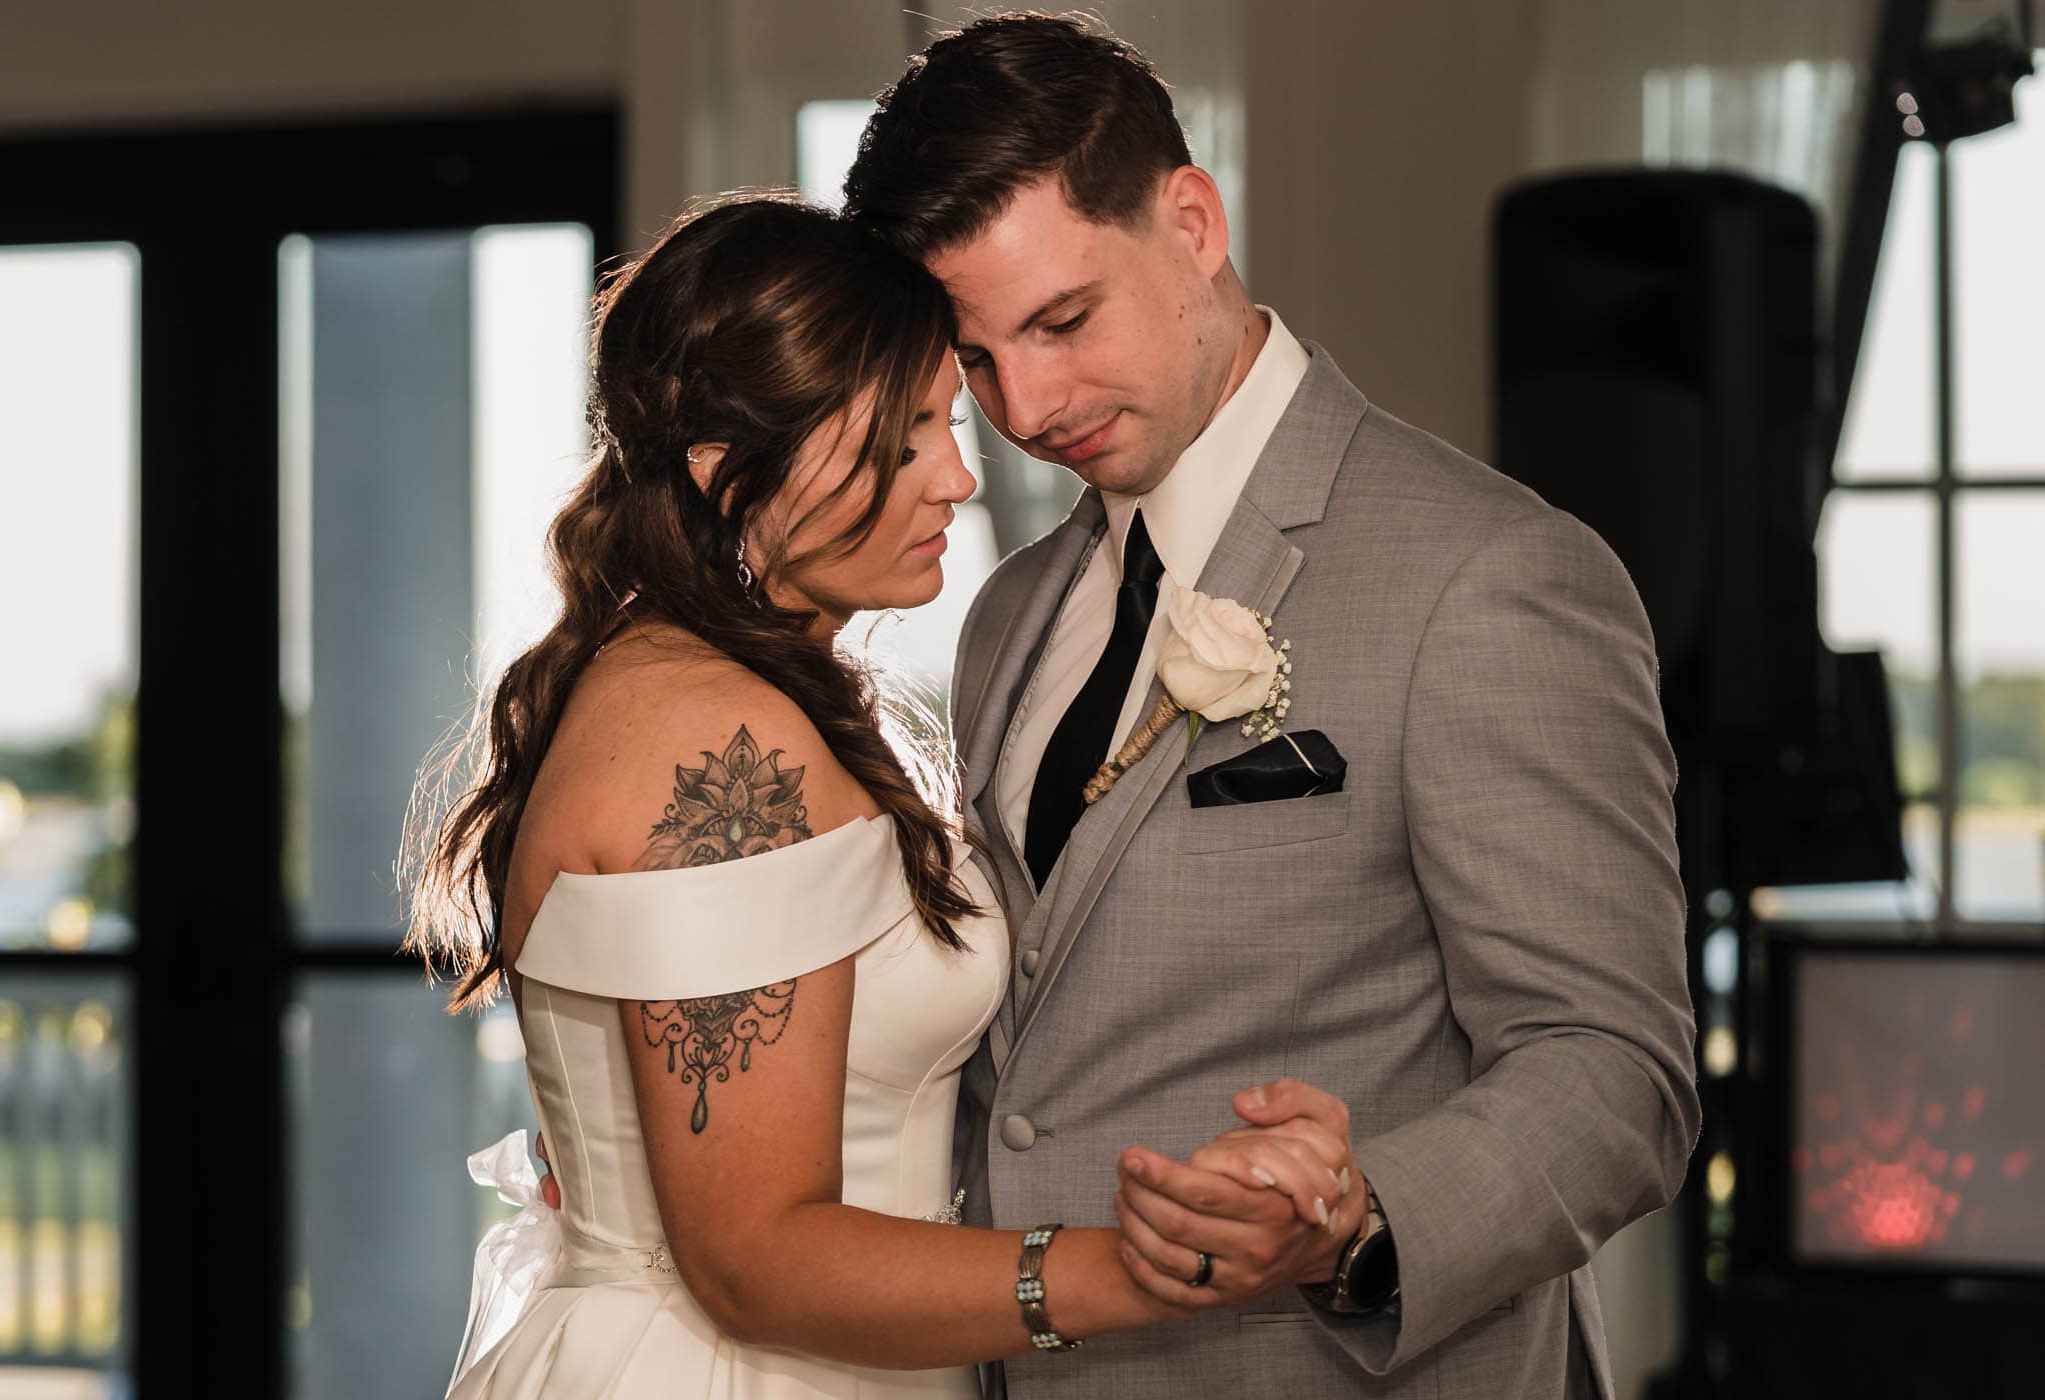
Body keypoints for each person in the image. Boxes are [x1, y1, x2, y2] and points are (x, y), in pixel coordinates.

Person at [830, 13, 1701, 1399]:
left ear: (1191, 222)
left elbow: (1616, 1073)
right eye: (975, 361)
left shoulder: (1488, 575)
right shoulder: (1006, 616)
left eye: (1063, 321)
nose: (1027, 405)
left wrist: (1360, 1220)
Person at [407, 194, 1356, 1399]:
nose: (959, 475)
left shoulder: (754, 689)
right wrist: (1154, 1269)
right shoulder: (716, 739)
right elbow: (753, 1255)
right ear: (725, 476)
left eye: (944, 421)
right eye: (899, 440)